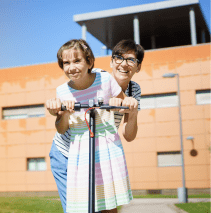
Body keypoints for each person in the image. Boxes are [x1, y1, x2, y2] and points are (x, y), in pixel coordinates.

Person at [47, 39, 144, 213]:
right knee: (80, 207)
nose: (123, 64)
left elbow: (128, 134)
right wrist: (59, 112)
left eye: (131, 60)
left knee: (107, 206)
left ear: (138, 67)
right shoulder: (93, 75)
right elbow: (61, 123)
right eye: (119, 58)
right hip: (68, 150)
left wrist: (130, 109)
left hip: (99, 150)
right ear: (111, 61)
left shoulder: (131, 90)